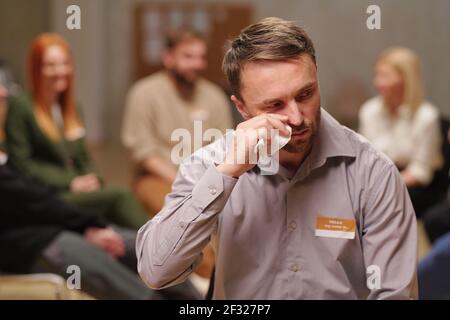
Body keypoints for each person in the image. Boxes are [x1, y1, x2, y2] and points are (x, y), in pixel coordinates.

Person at [136, 17, 418, 299]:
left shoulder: (373, 172)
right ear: (242, 108)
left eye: (305, 94)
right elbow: (155, 271)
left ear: (316, 76)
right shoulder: (208, 164)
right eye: (275, 104)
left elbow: (394, 292)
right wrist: (225, 175)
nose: (296, 117)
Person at [0, 78, 200, 300]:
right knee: (122, 274)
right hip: (32, 242)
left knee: (151, 250)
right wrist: (87, 225)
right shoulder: (24, 112)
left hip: (54, 220)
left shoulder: (68, 110)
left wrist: (90, 219)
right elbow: (30, 199)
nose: (3, 93)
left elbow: (38, 195)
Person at [5, 33, 148, 230]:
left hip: (77, 188)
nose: (60, 71)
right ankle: (161, 250)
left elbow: (82, 155)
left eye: (64, 63)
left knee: (113, 208)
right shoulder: (21, 107)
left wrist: (93, 178)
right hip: (47, 195)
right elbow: (23, 165)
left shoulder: (72, 108)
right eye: (51, 65)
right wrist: (71, 181)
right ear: (37, 69)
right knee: (120, 195)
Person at [122, 28, 233, 217]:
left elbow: (225, 147)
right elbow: (143, 152)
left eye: (201, 57)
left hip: (207, 179)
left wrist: (208, 183)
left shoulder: (214, 97)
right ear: (168, 57)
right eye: (188, 57)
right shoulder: (144, 93)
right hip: (157, 178)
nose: (197, 64)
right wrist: (185, 182)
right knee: (186, 216)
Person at [359, 47, 444, 217]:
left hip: (417, 186)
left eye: (385, 76)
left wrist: (386, 185)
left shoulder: (427, 116)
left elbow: (421, 170)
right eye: (377, 75)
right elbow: (364, 157)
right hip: (377, 178)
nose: (378, 82)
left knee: (387, 204)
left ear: (406, 79)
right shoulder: (369, 111)